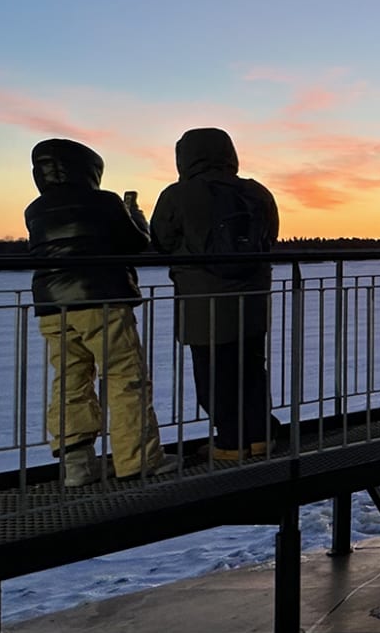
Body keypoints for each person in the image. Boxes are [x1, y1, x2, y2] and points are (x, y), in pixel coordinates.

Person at [24, 138, 167, 486]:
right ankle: (138, 460)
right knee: (124, 375)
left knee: (70, 378)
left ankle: (77, 465)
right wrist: (135, 216)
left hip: (52, 306)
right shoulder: (105, 202)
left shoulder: (35, 210)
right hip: (100, 299)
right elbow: (135, 243)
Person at [151, 128, 280, 462]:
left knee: (214, 372)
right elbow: (270, 239)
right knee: (252, 367)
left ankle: (230, 443)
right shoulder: (258, 193)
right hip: (252, 299)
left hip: (203, 301)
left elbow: (161, 241)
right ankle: (260, 437)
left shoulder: (178, 195)